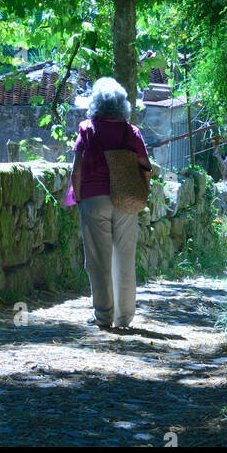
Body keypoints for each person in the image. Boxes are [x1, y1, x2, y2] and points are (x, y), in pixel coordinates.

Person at [65, 76, 152, 332]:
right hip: (125, 199)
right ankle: (124, 318)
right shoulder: (131, 132)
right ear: (122, 105)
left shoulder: (87, 129)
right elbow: (145, 166)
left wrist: (78, 196)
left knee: (98, 260)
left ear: (96, 104)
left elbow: (77, 170)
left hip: (94, 199)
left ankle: (104, 316)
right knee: (124, 258)